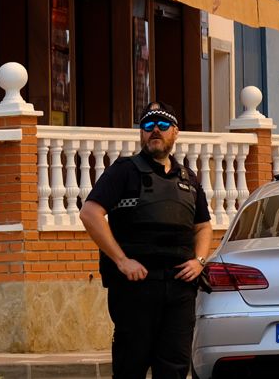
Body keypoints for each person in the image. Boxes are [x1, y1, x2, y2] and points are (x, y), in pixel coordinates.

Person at [79, 106, 214, 379]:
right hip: (136, 289)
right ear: (141, 133)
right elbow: (90, 213)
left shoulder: (188, 178)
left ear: (175, 133)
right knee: (131, 365)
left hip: (179, 288)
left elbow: (203, 226)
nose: (155, 129)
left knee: (174, 367)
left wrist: (199, 261)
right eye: (148, 124)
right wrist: (122, 260)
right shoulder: (124, 171)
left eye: (163, 125)